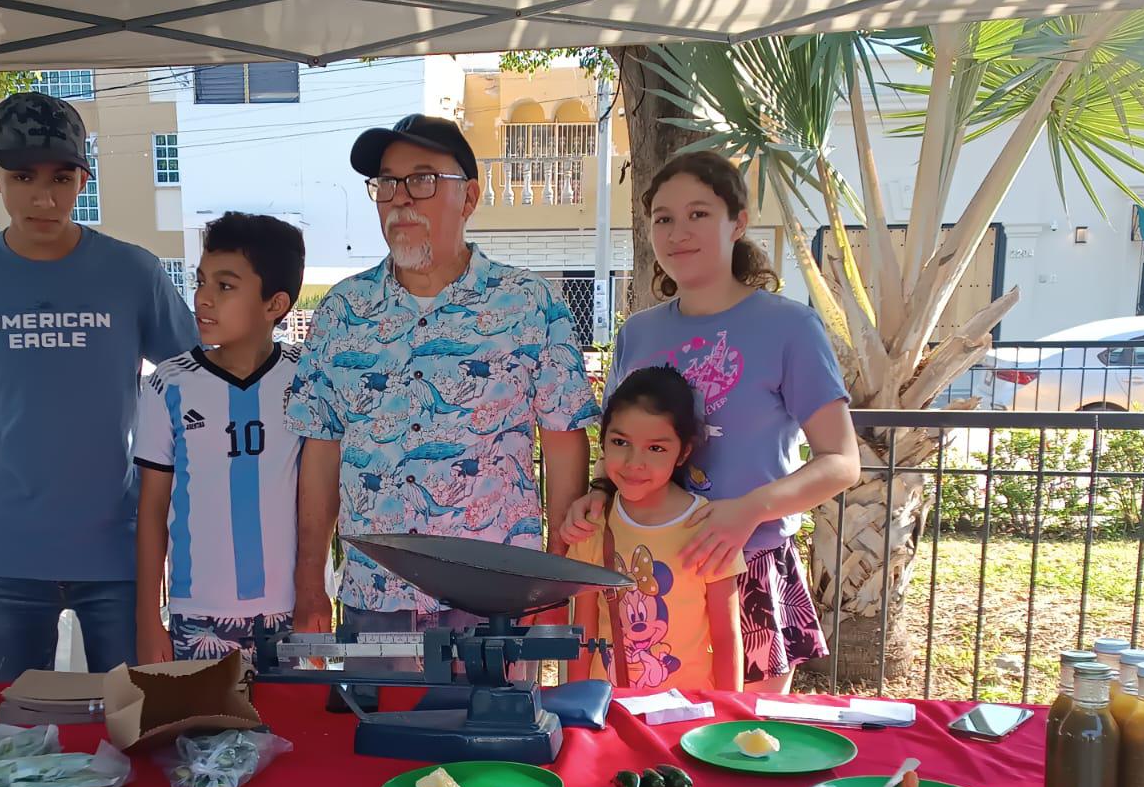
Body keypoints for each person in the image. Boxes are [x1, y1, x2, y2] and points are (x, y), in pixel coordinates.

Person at [285, 114, 598, 644]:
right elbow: (321, 451)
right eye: (386, 182)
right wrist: (309, 579)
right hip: (376, 597)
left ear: (469, 197)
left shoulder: (529, 304)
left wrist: (555, 581)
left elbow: (565, 442)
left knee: (498, 728)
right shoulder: (341, 312)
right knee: (381, 729)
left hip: (496, 598)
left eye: (423, 179)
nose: (400, 198)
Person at [0, 91, 200, 681]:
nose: (44, 197)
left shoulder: (132, 272)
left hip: (117, 550)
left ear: (84, 179)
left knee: (135, 724)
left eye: (62, 177)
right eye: (22, 176)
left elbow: (197, 382)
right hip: (7, 551)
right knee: (11, 736)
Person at [563, 150, 861, 693]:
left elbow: (842, 462)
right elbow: (624, 444)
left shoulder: (789, 326)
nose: (679, 232)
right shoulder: (638, 333)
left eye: (699, 213)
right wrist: (598, 494)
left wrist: (746, 512)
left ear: (738, 222)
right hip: (642, 569)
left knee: (741, 750)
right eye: (663, 218)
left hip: (748, 564)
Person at [133, 212, 306, 665]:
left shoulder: (307, 380)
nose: (203, 299)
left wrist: (312, 596)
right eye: (201, 281)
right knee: (205, 736)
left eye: (225, 287)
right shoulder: (167, 385)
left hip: (289, 613)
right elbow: (151, 512)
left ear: (276, 304)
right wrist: (148, 621)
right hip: (198, 616)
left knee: (291, 733)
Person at [566, 367, 745, 691]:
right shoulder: (594, 524)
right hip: (609, 712)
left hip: (687, 718)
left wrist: (727, 716)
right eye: (621, 442)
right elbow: (584, 631)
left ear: (684, 452)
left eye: (656, 448)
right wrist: (575, 710)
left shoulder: (708, 526)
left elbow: (726, 635)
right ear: (603, 440)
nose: (635, 462)